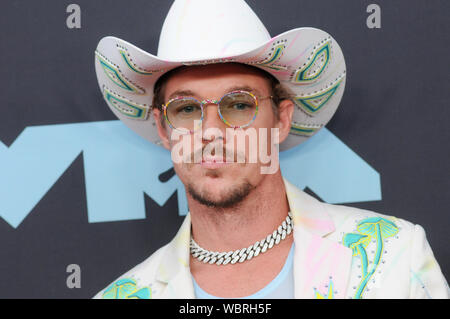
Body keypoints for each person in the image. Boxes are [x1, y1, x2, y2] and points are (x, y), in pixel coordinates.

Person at [93, 0, 448, 299]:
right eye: (186, 109)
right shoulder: (128, 293)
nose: (211, 132)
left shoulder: (394, 257)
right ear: (163, 128)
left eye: (239, 105)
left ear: (281, 119)